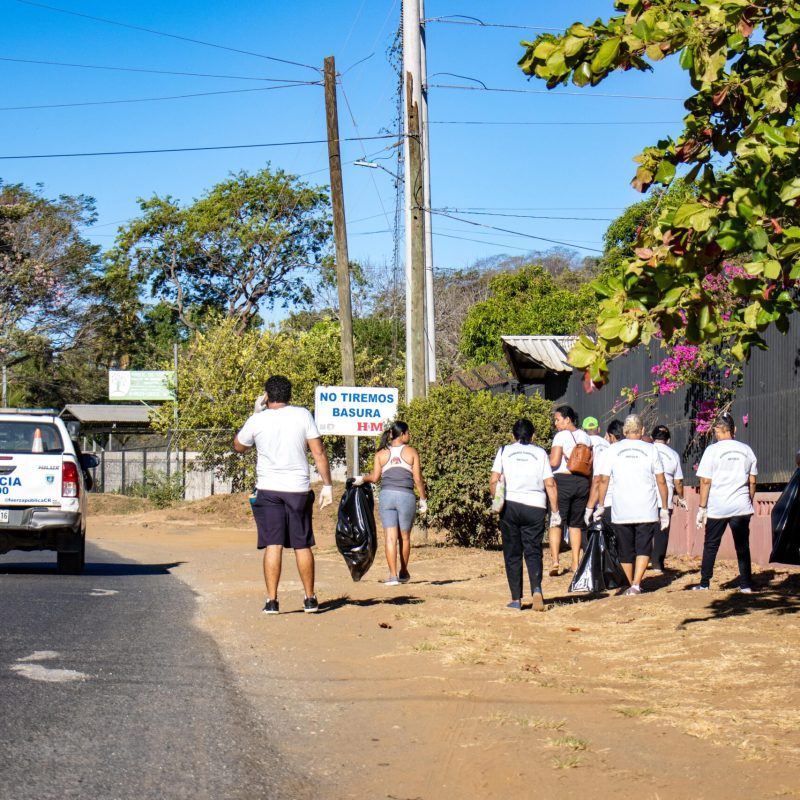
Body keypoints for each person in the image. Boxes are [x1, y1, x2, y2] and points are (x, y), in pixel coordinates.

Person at [233, 375, 333, 615]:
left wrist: (256, 413)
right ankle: (310, 599)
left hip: (268, 489)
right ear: (289, 395)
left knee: (273, 544)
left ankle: (272, 601)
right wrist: (327, 484)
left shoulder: (257, 419)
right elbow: (318, 452)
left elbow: (239, 446)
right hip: (298, 488)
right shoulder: (302, 415)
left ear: (266, 396)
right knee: (302, 544)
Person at [595, 415, 669, 595]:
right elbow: (661, 480)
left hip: (622, 506)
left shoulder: (612, 450)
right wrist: (665, 508)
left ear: (624, 431)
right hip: (647, 505)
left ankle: (631, 583)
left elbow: (603, 479)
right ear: (642, 430)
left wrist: (601, 504)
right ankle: (636, 583)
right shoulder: (651, 450)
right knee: (644, 545)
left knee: (624, 548)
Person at [490, 419, 560, 611]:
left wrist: (496, 500)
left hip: (510, 505)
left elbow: (494, 480)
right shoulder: (540, 453)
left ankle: (515, 599)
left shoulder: (504, 451)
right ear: (533, 436)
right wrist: (555, 511)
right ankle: (536, 589)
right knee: (533, 550)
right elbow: (550, 483)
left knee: (512, 552)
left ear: (513, 436)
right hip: (535, 506)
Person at [691, 412, 758, 593]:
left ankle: (704, 583)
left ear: (717, 430)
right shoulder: (746, 450)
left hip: (718, 506)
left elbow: (705, 481)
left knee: (711, 544)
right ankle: (745, 584)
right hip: (741, 505)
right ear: (734, 429)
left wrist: (702, 507)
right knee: (742, 546)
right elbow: (752, 481)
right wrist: (748, 500)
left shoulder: (712, 451)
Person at [356, 421, 427, 586]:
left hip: (387, 496)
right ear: (402, 435)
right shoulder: (411, 452)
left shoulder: (381, 454)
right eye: (408, 433)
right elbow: (417, 478)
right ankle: (403, 571)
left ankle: (392, 575)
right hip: (405, 496)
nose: (409, 436)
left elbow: (374, 477)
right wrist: (423, 499)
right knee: (405, 537)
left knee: (390, 537)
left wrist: (361, 479)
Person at [548, 405, 592, 576]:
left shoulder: (560, 436)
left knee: (556, 520)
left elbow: (554, 462)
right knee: (576, 524)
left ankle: (555, 561)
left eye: (557, 420)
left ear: (567, 419)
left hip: (563, 481)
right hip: (582, 482)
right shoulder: (586, 437)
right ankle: (575, 562)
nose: (556, 424)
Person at [650, 424, 686, 572]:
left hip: (648, 498)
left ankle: (641, 559)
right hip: (666, 499)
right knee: (662, 533)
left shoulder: (648, 450)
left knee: (644, 531)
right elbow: (678, 481)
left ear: (652, 438)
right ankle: (657, 563)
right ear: (669, 440)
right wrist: (681, 497)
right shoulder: (673, 455)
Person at [585, 419, 624, 526]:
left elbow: (599, 480)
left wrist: (590, 507)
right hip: (630, 503)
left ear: (611, 436)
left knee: (611, 539)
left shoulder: (607, 452)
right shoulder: (632, 451)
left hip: (609, 502)